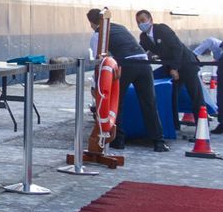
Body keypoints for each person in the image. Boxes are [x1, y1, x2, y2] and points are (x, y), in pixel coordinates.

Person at [87, 9, 167, 152]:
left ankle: (118, 139)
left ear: (92, 23)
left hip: (126, 65)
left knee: (116, 102)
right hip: (143, 63)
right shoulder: (121, 27)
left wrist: (95, 85)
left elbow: (100, 61)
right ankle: (158, 141)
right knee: (149, 102)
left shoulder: (98, 34)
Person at [136, 10, 206, 123]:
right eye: (138, 22)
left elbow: (177, 47)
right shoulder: (144, 37)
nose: (141, 24)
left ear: (150, 20)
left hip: (186, 64)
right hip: (170, 67)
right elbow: (141, 51)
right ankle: (174, 125)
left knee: (196, 96)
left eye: (143, 21)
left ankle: (202, 128)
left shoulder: (162, 29)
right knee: (172, 96)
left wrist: (175, 68)